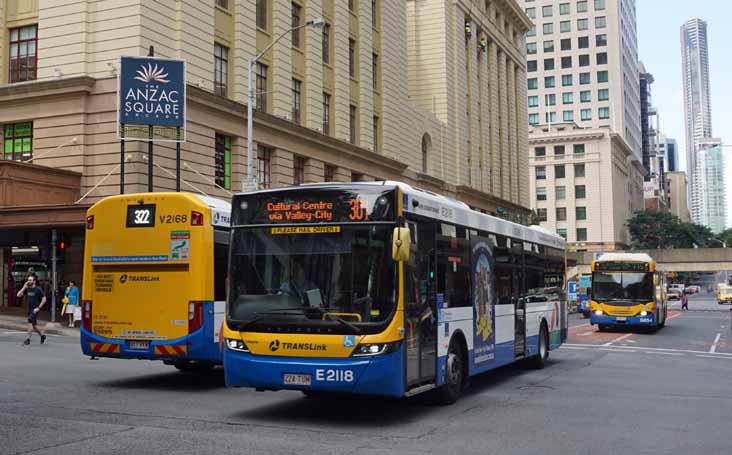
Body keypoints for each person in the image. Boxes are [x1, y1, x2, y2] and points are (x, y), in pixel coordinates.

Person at [17, 275, 47, 345]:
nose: (29, 281)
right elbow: (18, 295)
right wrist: (24, 287)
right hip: (29, 309)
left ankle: (28, 339)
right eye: (28, 280)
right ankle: (42, 336)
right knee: (34, 326)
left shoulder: (38, 289)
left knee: (30, 320)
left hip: (35, 310)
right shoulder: (27, 288)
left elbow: (44, 299)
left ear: (34, 281)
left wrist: (38, 308)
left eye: (30, 280)